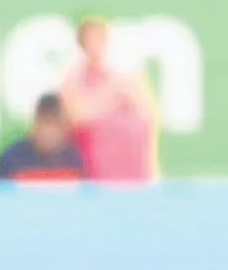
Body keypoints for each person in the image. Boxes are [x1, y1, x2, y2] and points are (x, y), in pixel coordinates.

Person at [59, 16, 159, 182]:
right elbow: (77, 117)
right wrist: (110, 95)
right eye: (89, 39)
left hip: (134, 171)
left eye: (100, 38)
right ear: (81, 44)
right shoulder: (73, 78)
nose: (95, 45)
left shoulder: (129, 75)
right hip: (97, 172)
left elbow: (147, 118)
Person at [0, 93, 85, 182]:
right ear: (35, 124)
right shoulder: (11, 158)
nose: (50, 132)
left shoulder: (73, 159)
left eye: (56, 124)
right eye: (46, 123)